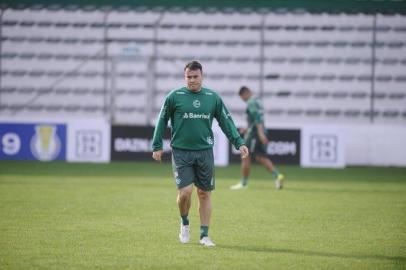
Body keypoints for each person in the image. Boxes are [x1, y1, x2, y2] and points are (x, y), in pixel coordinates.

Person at [152, 61, 249, 247]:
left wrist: (239, 142)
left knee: (204, 193)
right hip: (181, 152)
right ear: (184, 77)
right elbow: (161, 120)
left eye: (195, 77)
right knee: (186, 192)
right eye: (188, 77)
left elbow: (226, 121)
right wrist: (157, 145)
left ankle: (204, 236)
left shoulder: (212, 98)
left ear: (202, 76)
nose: (192, 80)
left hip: (204, 152)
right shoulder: (174, 96)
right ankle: (184, 222)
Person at [230, 86, 284, 190]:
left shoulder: (250, 102)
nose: (243, 100)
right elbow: (257, 119)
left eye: (242, 97)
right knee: (260, 157)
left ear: (245, 93)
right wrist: (249, 128)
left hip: (255, 134)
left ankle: (244, 183)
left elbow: (257, 118)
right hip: (260, 131)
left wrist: (259, 133)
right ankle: (277, 175)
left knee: (245, 154)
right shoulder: (258, 102)